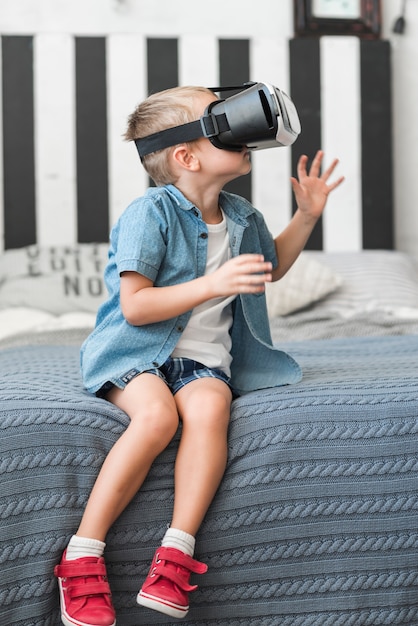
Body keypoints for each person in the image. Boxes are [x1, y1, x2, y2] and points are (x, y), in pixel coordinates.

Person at [54, 85, 344, 626]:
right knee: (158, 416)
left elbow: (271, 266)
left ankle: (175, 554)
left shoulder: (242, 216)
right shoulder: (150, 213)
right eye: (217, 117)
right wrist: (215, 283)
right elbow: (136, 307)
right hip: (134, 353)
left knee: (212, 409)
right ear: (187, 156)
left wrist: (307, 215)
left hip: (201, 362)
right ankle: (82, 555)